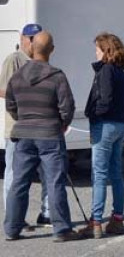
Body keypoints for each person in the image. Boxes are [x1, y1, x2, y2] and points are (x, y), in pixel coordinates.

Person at [3, 31, 82, 242]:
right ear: (52, 50)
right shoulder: (56, 76)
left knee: (19, 181)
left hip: (24, 134)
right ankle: (62, 230)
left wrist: (23, 118)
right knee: (55, 181)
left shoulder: (18, 76)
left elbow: (10, 103)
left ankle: (11, 229)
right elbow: (68, 106)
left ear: (31, 48)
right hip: (49, 134)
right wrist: (63, 123)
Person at [81, 33, 124, 238]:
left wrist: (93, 115)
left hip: (105, 124)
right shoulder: (121, 70)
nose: (95, 51)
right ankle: (117, 219)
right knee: (116, 173)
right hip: (120, 124)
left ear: (106, 49)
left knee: (99, 174)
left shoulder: (106, 70)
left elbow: (105, 99)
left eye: (98, 48)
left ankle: (95, 222)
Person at [1, 23, 50, 228]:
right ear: (23, 39)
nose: (32, 42)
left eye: (35, 37)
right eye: (30, 38)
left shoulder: (41, 60)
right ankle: (14, 218)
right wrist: (25, 98)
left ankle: (46, 213)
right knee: (15, 173)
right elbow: (3, 89)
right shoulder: (15, 59)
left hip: (39, 125)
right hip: (17, 125)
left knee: (46, 171)